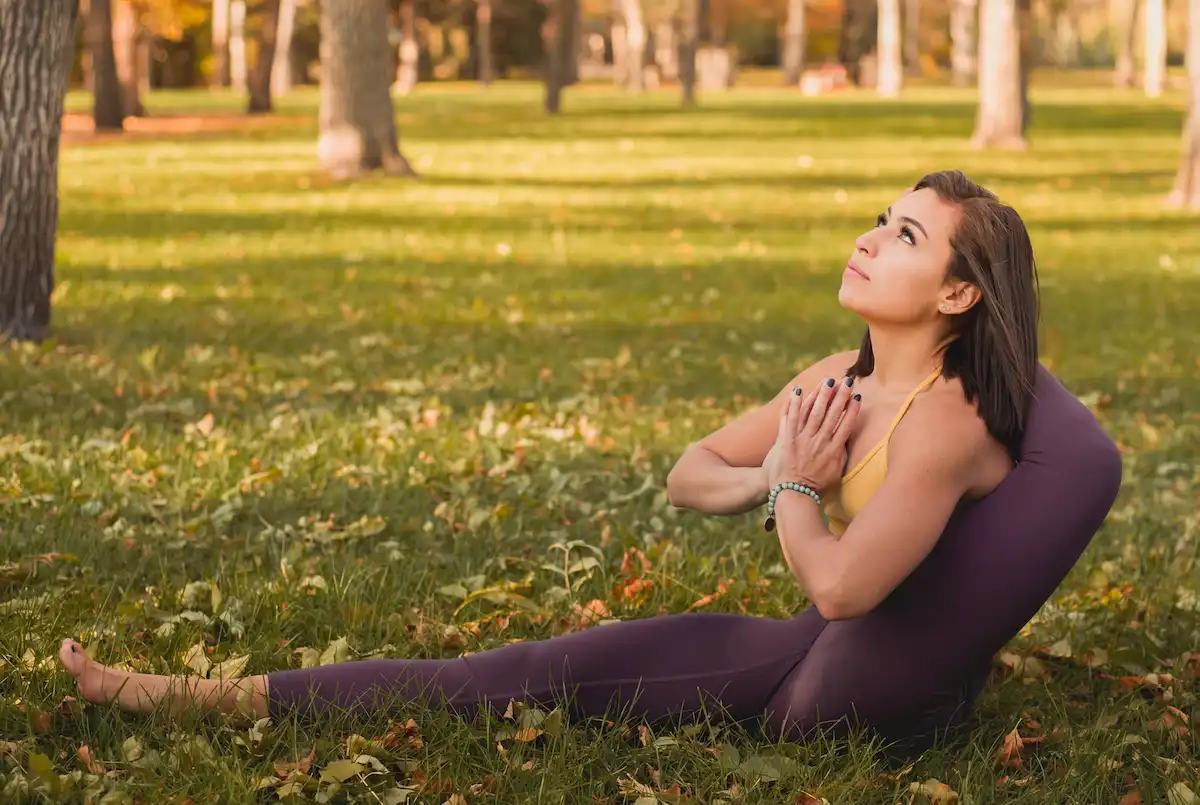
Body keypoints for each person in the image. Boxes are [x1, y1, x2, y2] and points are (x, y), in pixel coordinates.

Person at [58, 170, 1122, 752]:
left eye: (904, 237)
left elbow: (842, 589)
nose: (867, 239)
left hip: (851, 651)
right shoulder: (834, 381)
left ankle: (196, 700)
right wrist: (767, 475)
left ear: (955, 295)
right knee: (533, 667)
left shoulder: (945, 422)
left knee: (547, 677)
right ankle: (207, 697)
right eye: (878, 220)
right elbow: (689, 470)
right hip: (810, 629)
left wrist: (796, 488)